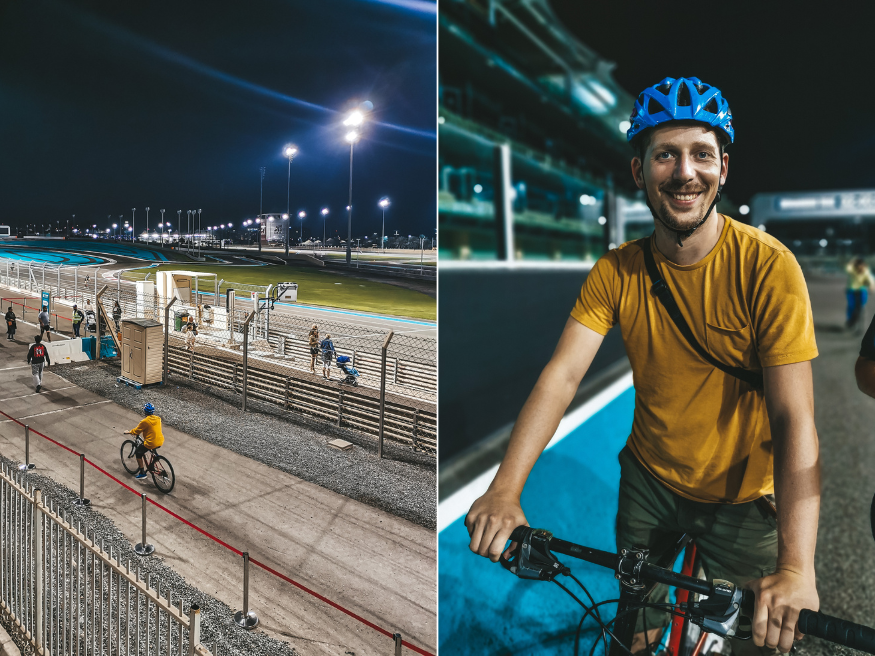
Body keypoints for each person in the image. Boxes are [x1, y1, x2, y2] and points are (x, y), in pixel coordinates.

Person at [465, 77, 820, 656]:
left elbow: (793, 416)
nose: (685, 172)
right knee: (632, 626)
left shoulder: (768, 268)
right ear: (639, 172)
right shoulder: (616, 271)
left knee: (765, 637)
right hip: (650, 482)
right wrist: (505, 490)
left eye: (701, 154)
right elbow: (560, 378)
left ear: (723, 169)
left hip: (745, 499)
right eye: (666, 155)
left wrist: (798, 567)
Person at [123, 402, 164, 480]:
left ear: (144, 411)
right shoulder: (158, 418)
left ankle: (142, 473)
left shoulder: (145, 421)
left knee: (138, 453)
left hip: (151, 442)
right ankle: (155, 459)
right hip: (160, 440)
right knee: (153, 448)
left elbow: (136, 431)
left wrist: (129, 432)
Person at [845, 257, 875, 330]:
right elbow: (848, 267)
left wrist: (872, 287)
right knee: (851, 306)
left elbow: (871, 280)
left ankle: (859, 323)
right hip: (851, 291)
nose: (861, 267)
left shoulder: (866, 271)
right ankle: (850, 320)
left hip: (861, 291)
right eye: (859, 265)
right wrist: (853, 260)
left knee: (861, 306)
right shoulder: (852, 270)